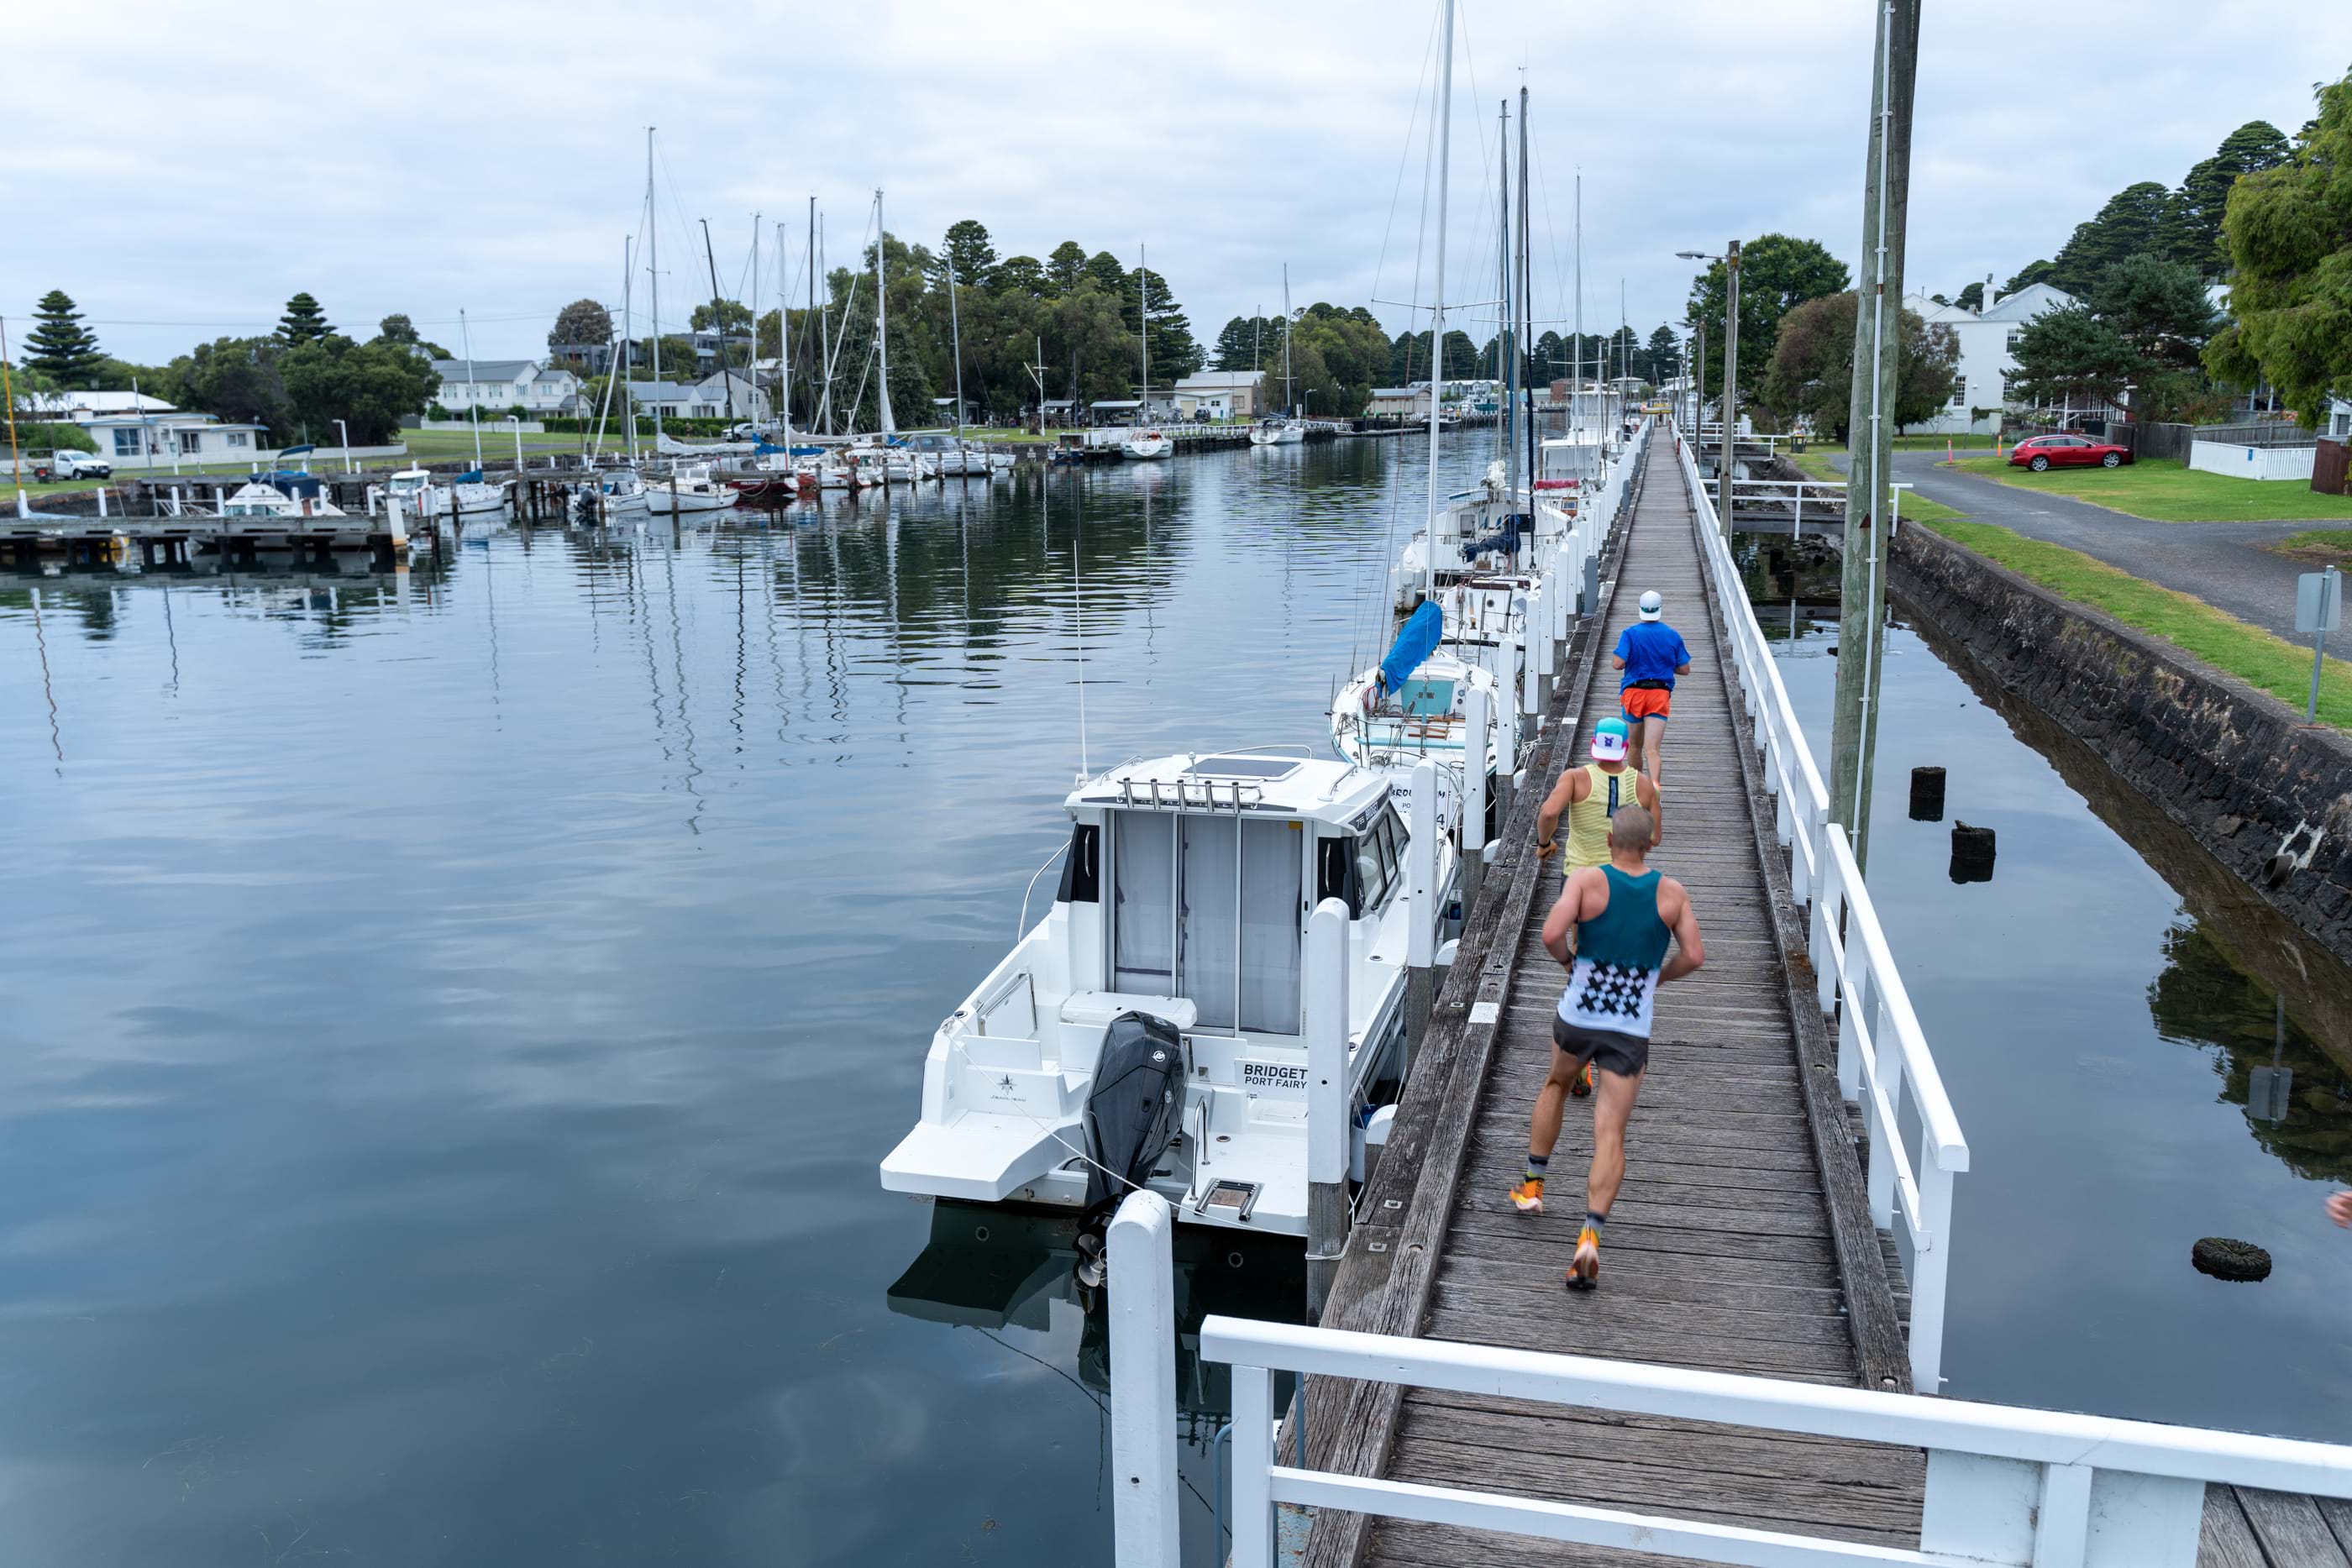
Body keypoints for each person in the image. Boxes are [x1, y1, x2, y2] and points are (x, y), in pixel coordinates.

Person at [1509, 804, 1704, 1292]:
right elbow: (1695, 956)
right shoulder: (1672, 894)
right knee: (1610, 1132)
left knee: (1556, 1083)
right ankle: (1589, 1237)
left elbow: (1551, 934)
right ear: (1651, 843)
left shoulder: (1587, 882)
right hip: (1628, 1028)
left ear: (1611, 841)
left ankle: (1533, 1187)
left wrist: (1570, 963)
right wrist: (1655, 977)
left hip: (1579, 1016)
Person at [1535, 716, 1662, 1101]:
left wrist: (1545, 844)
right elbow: (1654, 836)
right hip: (1621, 885)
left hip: (1578, 883)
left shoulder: (1575, 779)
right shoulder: (1640, 783)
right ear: (1625, 748)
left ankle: (1580, 1058)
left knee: (1582, 962)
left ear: (1595, 744)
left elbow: (1547, 813)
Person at [1614, 590, 1691, 787]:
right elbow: (1684, 669)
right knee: (1652, 750)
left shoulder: (1629, 634)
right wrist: (1664, 665)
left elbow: (1617, 664)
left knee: (1634, 747)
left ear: (1640, 609)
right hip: (1659, 694)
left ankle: (1635, 789)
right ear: (1660, 610)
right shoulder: (1672, 635)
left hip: (1634, 693)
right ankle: (1654, 788)